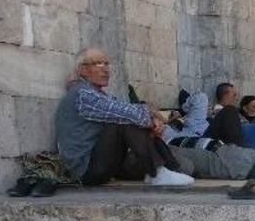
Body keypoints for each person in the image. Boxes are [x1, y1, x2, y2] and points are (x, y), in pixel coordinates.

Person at [55, 47, 193, 186]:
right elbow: (126, 113)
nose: (105, 69)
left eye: (106, 64)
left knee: (135, 121)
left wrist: (153, 120)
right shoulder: (82, 94)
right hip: (86, 171)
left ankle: (171, 168)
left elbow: (126, 107)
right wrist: (152, 120)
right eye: (98, 64)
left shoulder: (96, 93)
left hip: (102, 162)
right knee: (124, 121)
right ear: (82, 70)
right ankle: (157, 173)